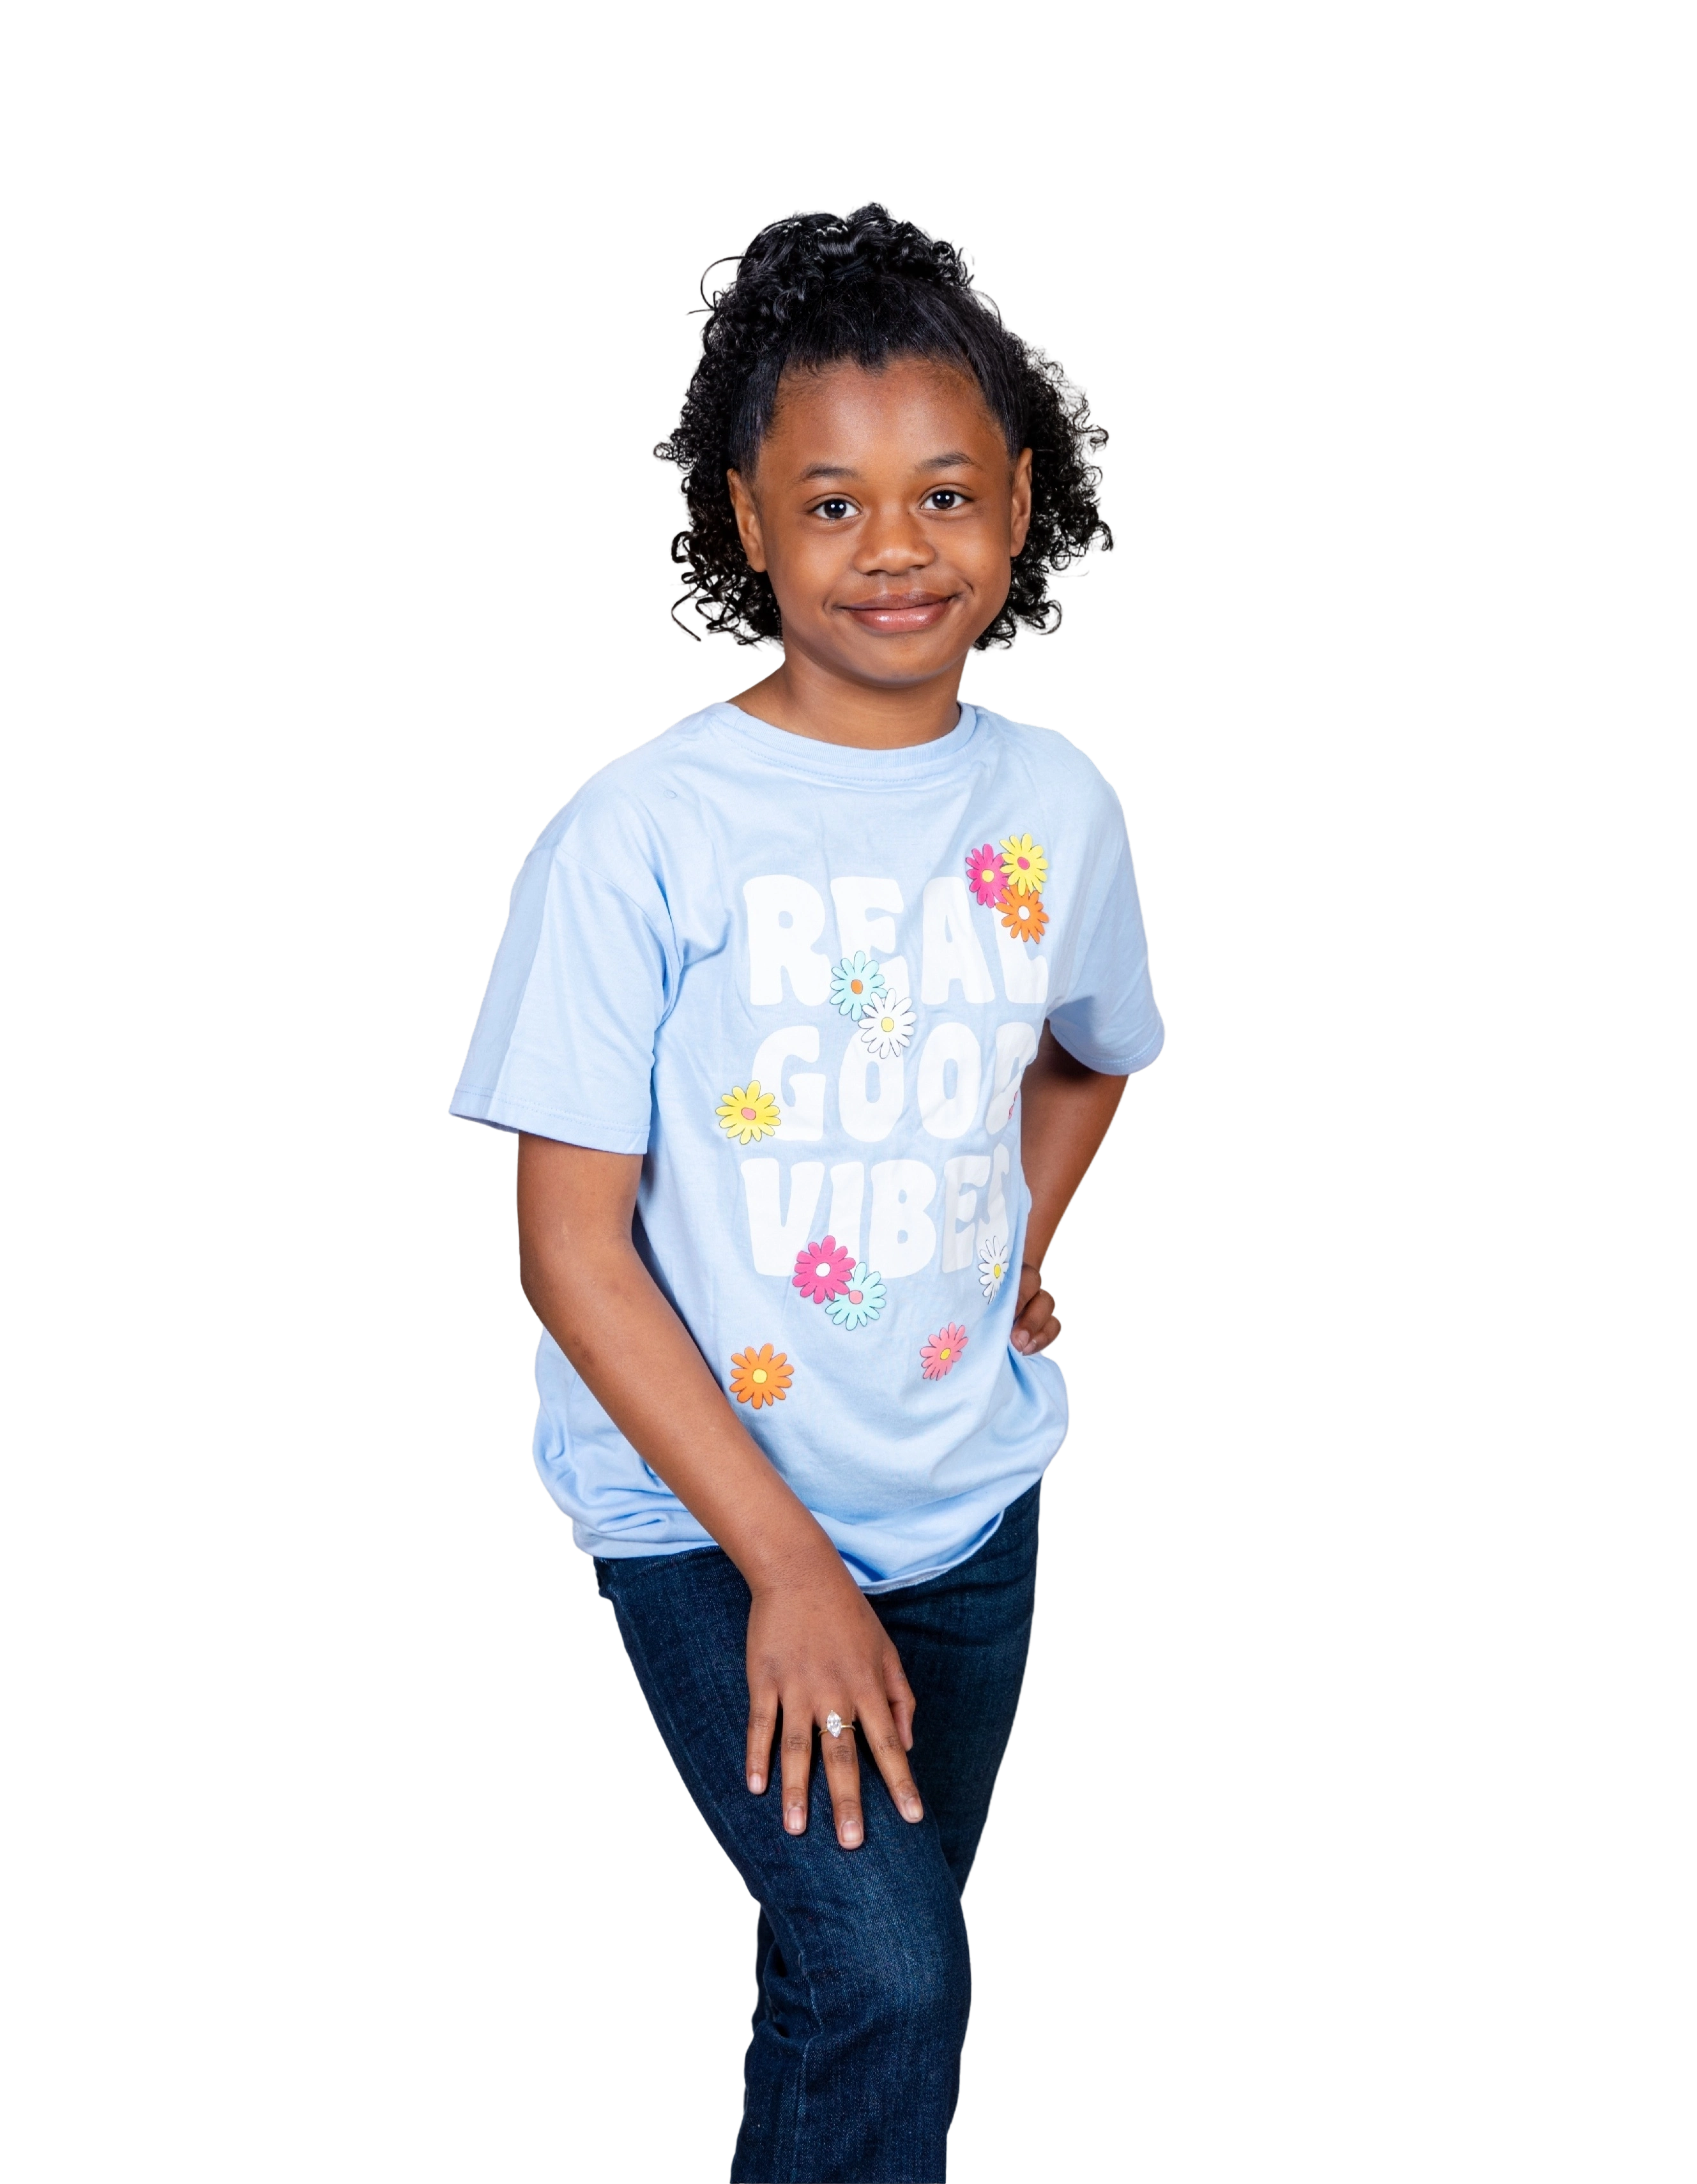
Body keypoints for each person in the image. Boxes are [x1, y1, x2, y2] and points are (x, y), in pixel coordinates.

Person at [448, 197, 1164, 2184]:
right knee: (893, 1977)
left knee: (850, 1976)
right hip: (708, 1516)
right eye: (833, 504)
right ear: (746, 525)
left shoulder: (1057, 804)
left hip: (963, 1496)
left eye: (944, 493)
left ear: (1020, 504)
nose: (895, 547)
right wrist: (783, 1565)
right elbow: (568, 1246)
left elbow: (1092, 1047)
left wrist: (1018, 1245)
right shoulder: (644, 835)